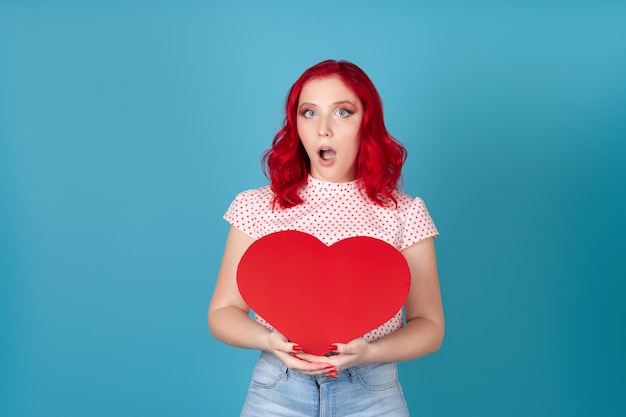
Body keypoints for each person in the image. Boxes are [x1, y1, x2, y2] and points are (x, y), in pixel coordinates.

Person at [208, 59, 444, 416]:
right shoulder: (256, 206)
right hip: (277, 390)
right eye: (309, 113)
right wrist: (270, 342)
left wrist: (370, 352)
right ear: (296, 123)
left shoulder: (405, 212)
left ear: (367, 121)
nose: (324, 130)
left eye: (342, 112)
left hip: (372, 393)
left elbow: (429, 326)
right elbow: (223, 313)